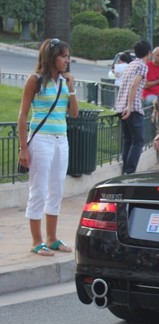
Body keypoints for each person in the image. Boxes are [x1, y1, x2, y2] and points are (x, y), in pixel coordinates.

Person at [17, 38, 79, 256]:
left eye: (68, 56)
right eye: (63, 56)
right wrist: (23, 148)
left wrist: (71, 88)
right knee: (39, 190)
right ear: (51, 57)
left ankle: (52, 238)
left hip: (61, 139)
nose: (66, 60)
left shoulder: (65, 81)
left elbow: (74, 113)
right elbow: (23, 116)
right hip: (41, 139)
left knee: (56, 190)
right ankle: (37, 241)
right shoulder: (35, 81)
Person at [115, 39, 152, 174]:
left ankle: (126, 169)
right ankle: (129, 172)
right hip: (133, 108)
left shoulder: (130, 65)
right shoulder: (142, 66)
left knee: (128, 140)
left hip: (121, 106)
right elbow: (134, 85)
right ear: (149, 53)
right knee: (138, 140)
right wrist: (130, 106)